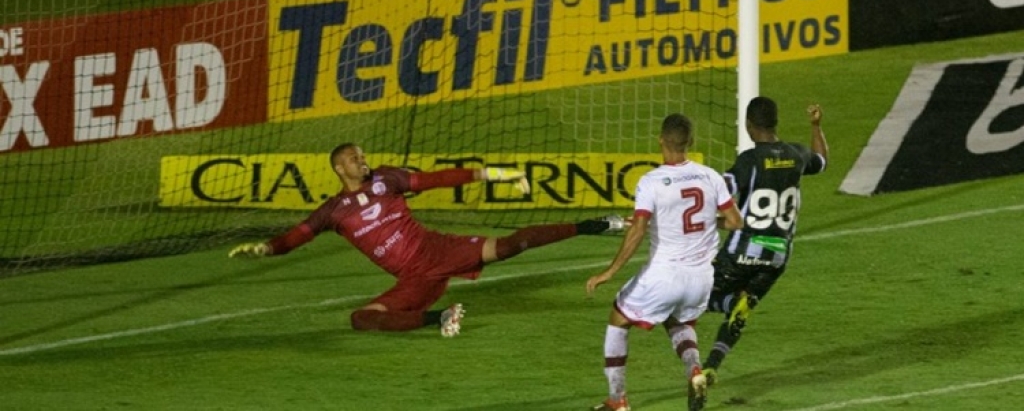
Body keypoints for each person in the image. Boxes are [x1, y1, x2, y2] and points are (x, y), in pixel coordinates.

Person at [228, 142, 625, 337]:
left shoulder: (387, 179)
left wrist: (489, 175)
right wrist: (266, 248)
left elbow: (435, 179)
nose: (361, 160)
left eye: (362, 155)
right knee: (361, 319)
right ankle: (440, 317)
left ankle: (596, 225)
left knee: (511, 245)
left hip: (437, 249)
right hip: (414, 279)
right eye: (353, 158)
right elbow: (297, 237)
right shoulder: (333, 211)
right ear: (337, 167)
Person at [586, 113, 743, 411]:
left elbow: (638, 229)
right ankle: (695, 371)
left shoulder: (651, 181)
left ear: (661, 140)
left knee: (618, 318)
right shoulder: (711, 176)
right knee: (678, 321)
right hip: (701, 280)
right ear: (690, 143)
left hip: (665, 275)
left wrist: (610, 271)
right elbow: (735, 221)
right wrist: (711, 222)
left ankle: (617, 400)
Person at [701, 97, 828, 385]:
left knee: (693, 301)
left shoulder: (750, 160)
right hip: (778, 256)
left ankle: (732, 304)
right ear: (775, 122)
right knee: (741, 312)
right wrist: (816, 127)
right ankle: (711, 366)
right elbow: (822, 163)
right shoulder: (796, 153)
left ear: (748, 125)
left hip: (742, 252)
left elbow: (723, 191)